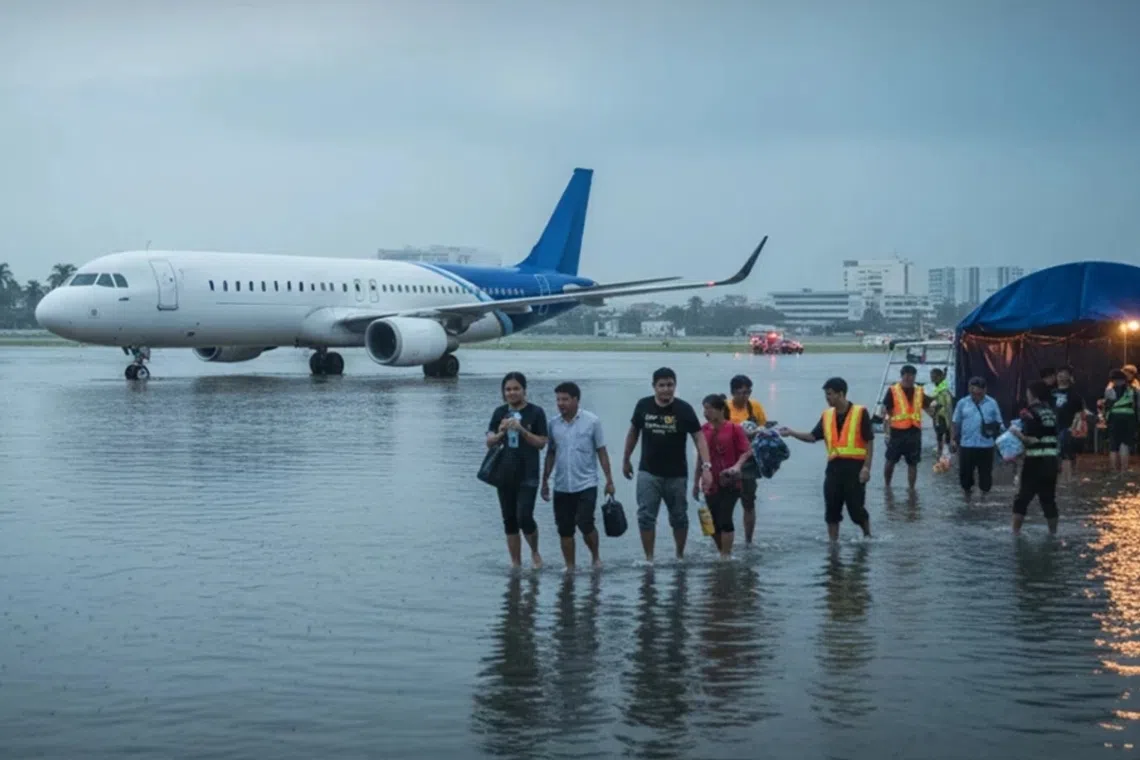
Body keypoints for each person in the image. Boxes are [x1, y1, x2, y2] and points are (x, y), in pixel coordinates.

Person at [622, 367, 713, 563]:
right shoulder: (643, 405)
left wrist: (707, 467)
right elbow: (633, 432)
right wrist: (626, 459)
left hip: (677, 474)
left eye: (670, 385)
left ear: (675, 386)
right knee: (646, 516)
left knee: (679, 517)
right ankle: (649, 559)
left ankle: (679, 556)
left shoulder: (684, 409)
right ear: (654, 386)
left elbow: (699, 438)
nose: (666, 390)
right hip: (648, 472)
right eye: (661, 385)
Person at [779, 377, 873, 542]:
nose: (827, 398)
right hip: (834, 468)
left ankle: (867, 534)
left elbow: (869, 441)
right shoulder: (827, 415)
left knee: (856, 511)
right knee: (831, 510)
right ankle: (833, 544)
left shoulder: (860, 412)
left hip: (855, 468)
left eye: (829, 394)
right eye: (826, 395)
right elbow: (812, 436)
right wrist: (792, 433)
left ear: (840, 394)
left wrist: (866, 468)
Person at [541, 381, 615, 571]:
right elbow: (550, 453)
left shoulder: (592, 421)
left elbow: (601, 451)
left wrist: (609, 480)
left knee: (585, 522)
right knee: (564, 529)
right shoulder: (553, 424)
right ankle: (570, 567)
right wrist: (544, 481)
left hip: (586, 483)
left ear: (576, 400)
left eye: (565, 399)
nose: (561, 403)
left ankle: (596, 557)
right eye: (558, 399)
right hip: (562, 485)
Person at [486, 371, 549, 569]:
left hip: (528, 474)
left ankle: (534, 551)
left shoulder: (536, 412)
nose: (512, 393)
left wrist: (522, 430)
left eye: (516, 389)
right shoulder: (499, 413)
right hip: (504, 473)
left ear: (524, 390)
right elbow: (489, 441)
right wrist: (501, 432)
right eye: (508, 389)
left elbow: (541, 443)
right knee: (509, 519)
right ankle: (515, 563)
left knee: (524, 516)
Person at [695, 394, 753, 559]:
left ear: (720, 410)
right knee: (711, 521)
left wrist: (737, 466)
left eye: (710, 409)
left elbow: (747, 451)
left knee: (725, 516)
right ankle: (721, 550)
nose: (706, 412)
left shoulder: (734, 429)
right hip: (709, 480)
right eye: (704, 409)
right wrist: (695, 482)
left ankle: (726, 556)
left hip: (730, 481)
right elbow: (700, 457)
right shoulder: (703, 430)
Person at [1010, 381, 1060, 535]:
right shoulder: (1050, 412)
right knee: (1048, 500)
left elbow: (1031, 440)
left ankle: (1015, 534)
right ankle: (1053, 534)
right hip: (1051, 461)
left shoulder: (1029, 412)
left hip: (1035, 461)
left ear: (1032, 394)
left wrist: (1015, 432)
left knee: (1022, 498)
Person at [726, 374, 768, 545]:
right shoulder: (725, 408)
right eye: (741, 393)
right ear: (733, 392)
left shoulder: (754, 407)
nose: (745, 396)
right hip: (728, 460)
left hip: (749, 461)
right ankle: (725, 540)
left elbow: (764, 427)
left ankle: (748, 541)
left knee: (749, 502)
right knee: (725, 502)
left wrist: (758, 431)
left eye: (748, 392)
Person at [950, 376, 1003, 497]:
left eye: (980, 393)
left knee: (986, 476)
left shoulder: (992, 403)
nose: (977, 396)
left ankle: (984, 500)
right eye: (974, 393)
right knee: (965, 476)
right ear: (969, 390)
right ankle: (967, 498)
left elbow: (999, 423)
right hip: (966, 445)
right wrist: (952, 439)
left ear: (985, 390)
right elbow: (955, 422)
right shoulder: (962, 403)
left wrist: (1002, 442)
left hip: (986, 445)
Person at [881, 364, 931, 490]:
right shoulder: (893, 390)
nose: (909, 378)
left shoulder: (919, 391)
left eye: (912, 376)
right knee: (890, 460)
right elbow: (885, 411)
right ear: (902, 376)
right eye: (906, 376)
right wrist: (886, 432)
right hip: (897, 432)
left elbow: (928, 407)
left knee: (913, 463)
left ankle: (911, 489)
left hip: (914, 432)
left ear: (915, 377)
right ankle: (887, 486)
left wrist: (936, 416)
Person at [1051, 365, 1087, 483]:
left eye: (1064, 374)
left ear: (1069, 376)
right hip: (1051, 428)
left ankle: (1068, 481)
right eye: (1059, 374)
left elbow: (1080, 413)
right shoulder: (1051, 393)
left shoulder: (1074, 395)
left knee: (1067, 455)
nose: (1061, 376)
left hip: (1067, 428)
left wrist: (1074, 428)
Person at [1104, 369, 1139, 473]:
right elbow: (1137, 406)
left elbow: (1107, 405)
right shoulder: (1133, 390)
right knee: (1125, 444)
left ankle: (1114, 470)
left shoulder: (1109, 390)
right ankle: (1124, 469)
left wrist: (1106, 419)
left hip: (1114, 418)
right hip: (1129, 418)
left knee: (1113, 446)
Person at [928, 368, 953, 458]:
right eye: (931, 377)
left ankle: (942, 452)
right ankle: (942, 451)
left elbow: (947, 402)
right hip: (940, 414)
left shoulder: (943, 388)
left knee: (942, 433)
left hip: (943, 414)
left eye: (934, 377)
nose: (932, 379)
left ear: (939, 377)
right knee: (941, 433)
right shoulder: (940, 384)